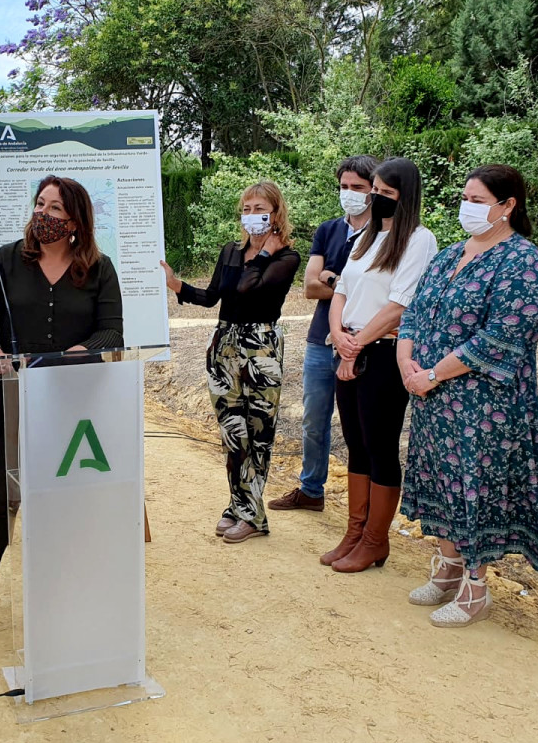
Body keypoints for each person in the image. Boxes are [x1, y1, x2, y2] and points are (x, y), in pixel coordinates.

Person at [0, 175, 124, 638]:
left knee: (64, 501)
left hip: (71, 404)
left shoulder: (99, 268)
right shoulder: (6, 261)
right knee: (2, 500)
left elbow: (112, 332)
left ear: (74, 221)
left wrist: (77, 353)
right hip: (8, 398)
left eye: (55, 209)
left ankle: (63, 594)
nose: (44, 215)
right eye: (40, 204)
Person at [397, 165, 538, 627]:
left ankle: (475, 586)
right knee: (442, 480)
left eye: (479, 199)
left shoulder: (522, 260)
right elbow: (414, 314)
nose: (468, 207)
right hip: (431, 397)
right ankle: (446, 569)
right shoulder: (448, 256)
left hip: (483, 403)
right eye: (465, 197)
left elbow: (501, 337)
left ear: (508, 206)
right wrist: (406, 362)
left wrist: (433, 373)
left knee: (473, 486)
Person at [161, 181, 301, 542]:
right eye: (247, 208)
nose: (252, 215)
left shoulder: (287, 258)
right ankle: (240, 505)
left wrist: (265, 253)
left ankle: (251, 516)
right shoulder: (230, 251)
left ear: (276, 213)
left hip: (262, 348)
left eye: (260, 208)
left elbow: (248, 288)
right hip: (224, 345)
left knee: (258, 433)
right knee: (232, 432)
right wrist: (177, 285)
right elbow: (213, 297)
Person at [322, 156, 438, 573]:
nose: (376, 198)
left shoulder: (418, 240)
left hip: (385, 352)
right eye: (376, 191)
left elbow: (399, 305)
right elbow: (340, 292)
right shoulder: (364, 238)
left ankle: (375, 540)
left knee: (381, 445)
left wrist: (355, 346)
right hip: (349, 344)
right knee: (355, 443)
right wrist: (339, 336)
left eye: (387, 193)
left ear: (405, 197)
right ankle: (354, 533)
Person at [269, 156, 375, 513]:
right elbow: (310, 288)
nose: (349, 194)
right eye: (344, 187)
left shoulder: (384, 234)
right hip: (320, 338)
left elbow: (380, 293)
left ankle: (370, 503)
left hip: (365, 339)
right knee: (315, 418)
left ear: (374, 190)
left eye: (358, 188)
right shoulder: (328, 230)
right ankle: (311, 489)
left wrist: (334, 278)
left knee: (360, 422)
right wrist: (344, 286)